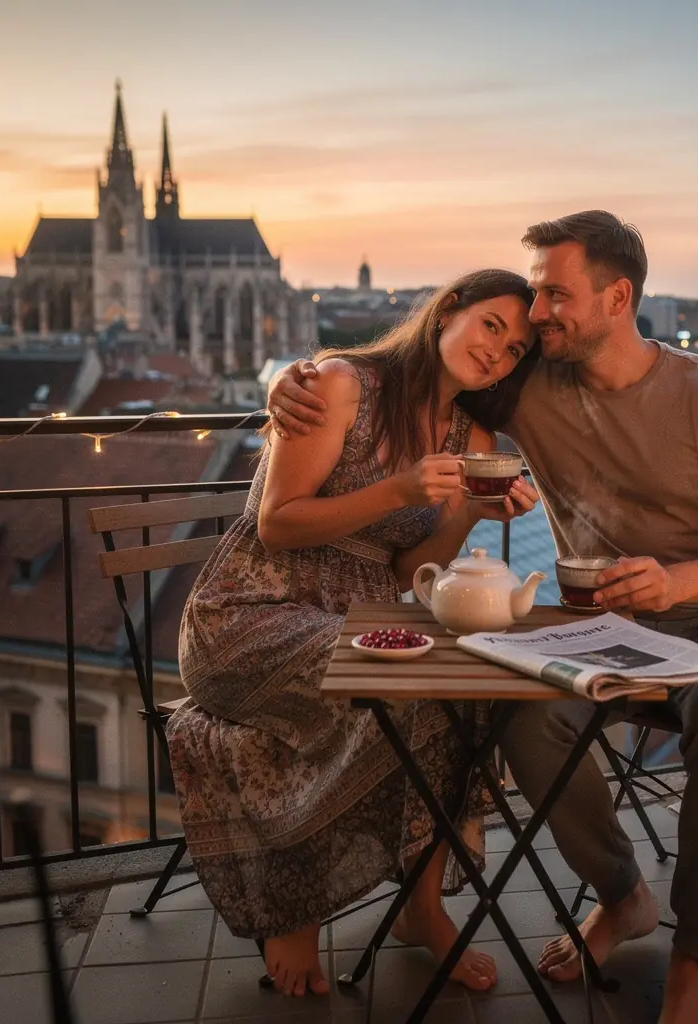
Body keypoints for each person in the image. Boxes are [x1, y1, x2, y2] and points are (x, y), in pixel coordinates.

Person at [268, 212, 698, 1024]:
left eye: (556, 294)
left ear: (618, 297)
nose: (537, 314)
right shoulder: (528, 384)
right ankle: (621, 896)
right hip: (601, 622)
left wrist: (678, 580)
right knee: (523, 719)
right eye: (534, 296)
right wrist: (289, 379)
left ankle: (695, 964)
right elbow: (418, 368)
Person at [168, 268, 541, 1000]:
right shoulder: (342, 385)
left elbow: (408, 568)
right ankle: (295, 909)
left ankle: (420, 908)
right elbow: (278, 522)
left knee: (457, 700)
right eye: (492, 325)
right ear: (448, 312)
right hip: (251, 609)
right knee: (380, 686)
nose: (499, 352)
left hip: (361, 612)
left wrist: (472, 512)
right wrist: (399, 491)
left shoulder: (476, 435)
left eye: (518, 348)